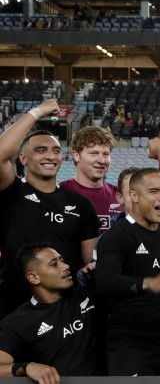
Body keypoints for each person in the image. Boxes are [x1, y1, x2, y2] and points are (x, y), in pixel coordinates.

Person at [95, 168, 160, 375]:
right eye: (154, 191)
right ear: (134, 196)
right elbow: (105, 281)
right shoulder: (116, 237)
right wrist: (150, 283)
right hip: (129, 344)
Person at [0, 100, 100, 317]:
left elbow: (90, 264)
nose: (51, 156)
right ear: (23, 158)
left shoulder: (81, 204)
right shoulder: (11, 191)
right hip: (15, 306)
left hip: (67, 310)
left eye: (56, 150)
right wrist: (37, 112)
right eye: (41, 150)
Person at [0, 244, 105, 384]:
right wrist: (27, 367)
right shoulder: (16, 322)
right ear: (34, 277)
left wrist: (104, 275)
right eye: (54, 264)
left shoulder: (88, 295)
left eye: (62, 260)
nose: (66, 266)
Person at [58, 126, 121, 232]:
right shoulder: (59, 194)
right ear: (76, 155)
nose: (101, 160)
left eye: (106, 154)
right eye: (93, 153)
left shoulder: (120, 196)